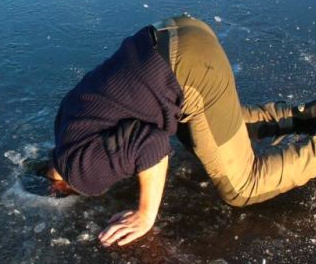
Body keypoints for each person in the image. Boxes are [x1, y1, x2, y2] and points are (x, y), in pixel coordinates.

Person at [46, 15, 316, 247]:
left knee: (241, 187)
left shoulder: (81, 173)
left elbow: (152, 146)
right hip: (176, 34)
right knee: (201, 133)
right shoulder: (64, 129)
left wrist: (145, 214)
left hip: (191, 68)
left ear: (61, 185)